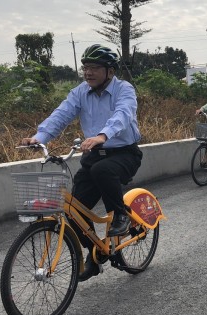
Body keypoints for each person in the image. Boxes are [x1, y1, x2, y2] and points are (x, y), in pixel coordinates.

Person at [20, 44, 143, 281]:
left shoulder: (124, 89)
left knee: (102, 170)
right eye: (85, 67)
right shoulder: (80, 92)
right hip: (94, 155)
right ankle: (95, 255)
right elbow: (61, 114)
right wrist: (39, 138)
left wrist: (102, 135)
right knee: (74, 212)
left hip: (124, 153)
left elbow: (123, 114)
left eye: (94, 67)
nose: (88, 72)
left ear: (110, 71)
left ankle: (121, 215)